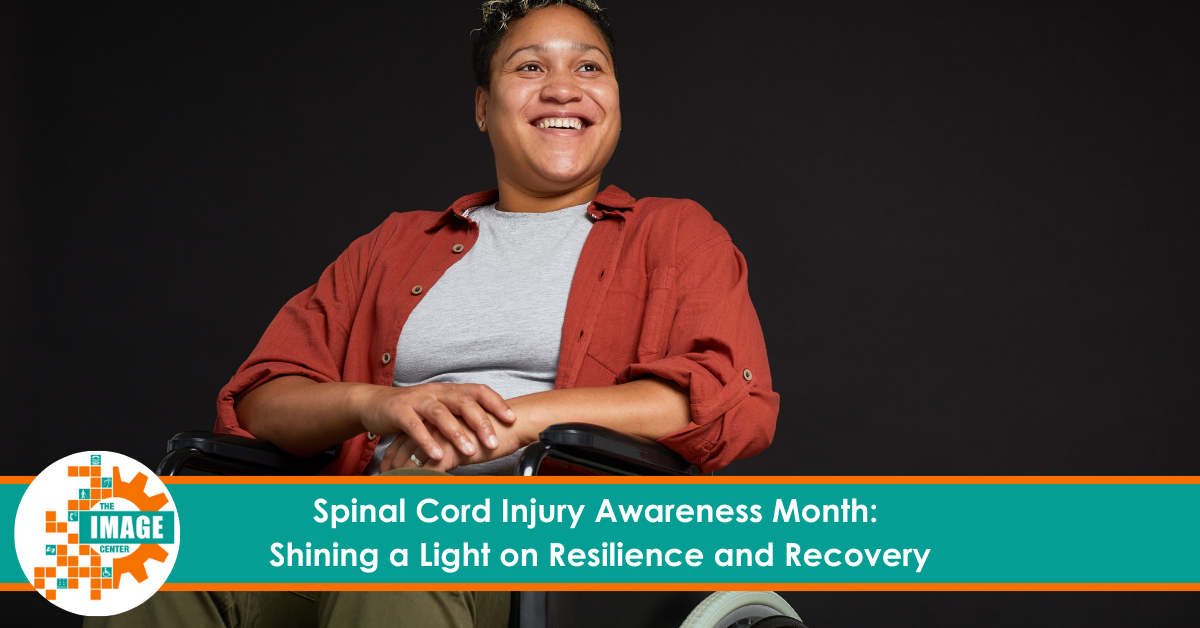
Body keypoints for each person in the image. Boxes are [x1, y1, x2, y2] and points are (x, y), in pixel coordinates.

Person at [91, 1, 777, 626]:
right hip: (356, 520)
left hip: (553, 542)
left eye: (589, 66)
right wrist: (376, 405)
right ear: (483, 106)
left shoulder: (674, 234)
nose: (563, 86)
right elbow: (265, 398)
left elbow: (719, 400)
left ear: (615, 100)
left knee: (407, 542)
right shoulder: (395, 246)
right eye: (530, 66)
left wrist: (507, 426)